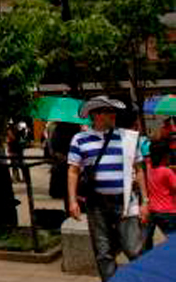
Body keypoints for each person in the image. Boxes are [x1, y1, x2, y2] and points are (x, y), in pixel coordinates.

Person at [67, 96, 149, 281]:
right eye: (109, 111)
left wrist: (145, 201)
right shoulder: (79, 139)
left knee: (134, 250)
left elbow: (139, 170)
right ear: (96, 114)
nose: (114, 115)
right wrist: (72, 201)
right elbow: (73, 171)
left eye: (114, 111)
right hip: (96, 205)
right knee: (103, 253)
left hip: (125, 202)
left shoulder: (127, 137)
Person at [144, 140, 176, 250]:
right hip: (168, 212)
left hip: (152, 210)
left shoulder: (148, 167)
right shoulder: (167, 172)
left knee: (147, 241)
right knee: (173, 242)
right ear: (165, 155)